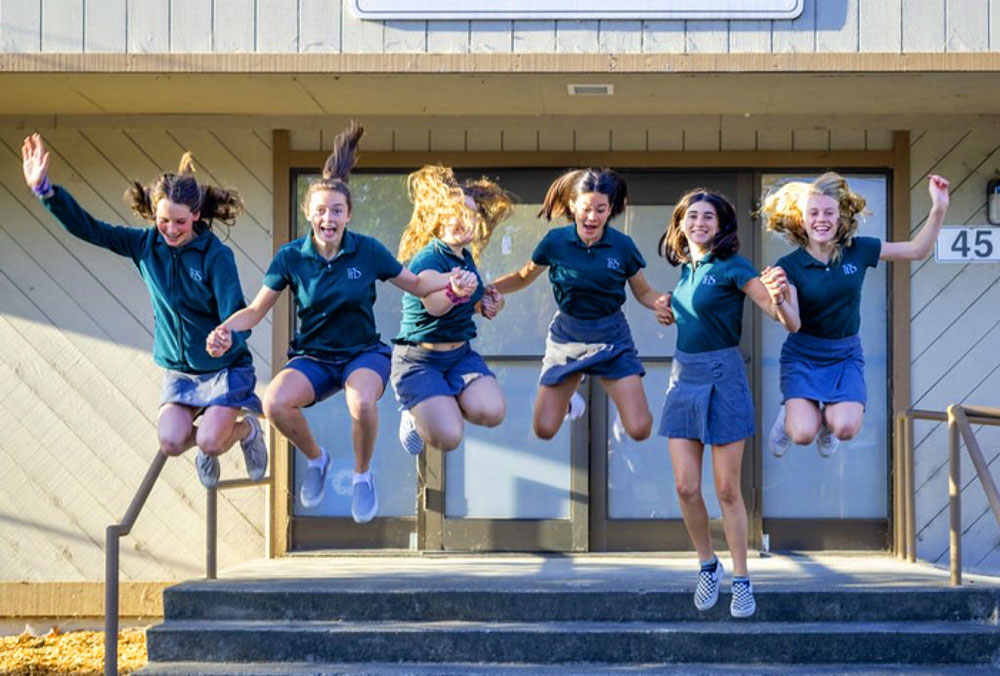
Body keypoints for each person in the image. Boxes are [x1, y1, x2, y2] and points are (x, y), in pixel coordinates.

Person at [207, 123, 462, 522]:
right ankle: (318, 459)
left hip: (363, 353)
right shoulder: (291, 257)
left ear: (348, 215)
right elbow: (256, 311)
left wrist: (452, 280)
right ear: (309, 212)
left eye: (337, 211)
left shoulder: (368, 251)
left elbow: (414, 283)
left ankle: (362, 477)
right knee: (273, 402)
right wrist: (225, 329)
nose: (329, 218)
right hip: (314, 357)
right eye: (321, 210)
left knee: (360, 401)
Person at [21, 133, 267, 488]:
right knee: (170, 442)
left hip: (223, 368)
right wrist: (45, 191)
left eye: (180, 222)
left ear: (196, 216)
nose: (170, 229)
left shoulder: (216, 256)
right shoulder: (144, 245)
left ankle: (245, 431)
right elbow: (91, 229)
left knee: (210, 441)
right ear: (155, 213)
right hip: (180, 371)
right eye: (163, 220)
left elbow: (237, 311)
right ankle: (209, 441)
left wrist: (226, 334)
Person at [655, 188, 799, 619]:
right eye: (692, 216)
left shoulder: (734, 267)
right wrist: (666, 310)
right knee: (684, 486)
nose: (699, 223)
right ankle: (707, 565)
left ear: (720, 227)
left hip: (724, 378)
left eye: (708, 218)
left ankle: (741, 579)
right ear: (681, 224)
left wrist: (780, 296)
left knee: (726, 489)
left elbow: (775, 313)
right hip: (684, 377)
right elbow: (692, 315)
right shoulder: (686, 271)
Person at [762, 172, 950, 458]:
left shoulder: (858, 250)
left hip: (845, 354)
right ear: (802, 219)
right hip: (803, 354)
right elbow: (794, 323)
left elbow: (917, 250)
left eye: (829, 212)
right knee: (802, 435)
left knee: (845, 428)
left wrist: (939, 207)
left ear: (840, 219)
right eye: (813, 213)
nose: (821, 219)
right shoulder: (790, 265)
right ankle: (788, 418)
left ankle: (830, 423)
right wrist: (778, 299)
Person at [491, 168, 666, 442]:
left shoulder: (622, 246)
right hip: (567, 335)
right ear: (573, 206)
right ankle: (572, 398)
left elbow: (643, 292)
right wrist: (487, 289)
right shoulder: (556, 242)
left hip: (611, 335)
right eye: (586, 208)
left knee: (640, 429)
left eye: (601, 209)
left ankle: (608, 393)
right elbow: (523, 276)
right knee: (544, 429)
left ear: (610, 211)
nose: (592, 217)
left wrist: (662, 302)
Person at [392, 165, 513, 455]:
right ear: (439, 218)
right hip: (420, 360)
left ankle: (441, 397)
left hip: (459, 356)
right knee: (448, 437)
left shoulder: (466, 258)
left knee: (492, 411)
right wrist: (452, 291)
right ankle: (414, 410)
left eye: (471, 214)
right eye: (456, 213)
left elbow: (471, 302)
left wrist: (489, 303)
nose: (465, 220)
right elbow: (434, 306)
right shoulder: (429, 257)